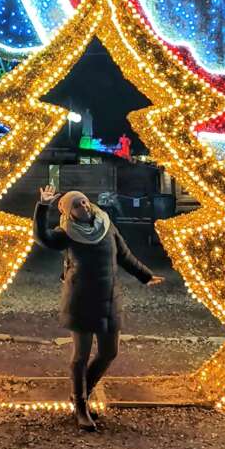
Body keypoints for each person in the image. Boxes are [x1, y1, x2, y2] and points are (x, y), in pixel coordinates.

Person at [33, 184, 164, 431]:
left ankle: (83, 391)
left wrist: (145, 275)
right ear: (68, 212)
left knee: (109, 352)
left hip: (109, 298)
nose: (83, 206)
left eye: (83, 201)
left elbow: (123, 254)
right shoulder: (67, 233)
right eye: (75, 205)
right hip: (80, 299)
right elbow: (44, 239)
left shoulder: (105, 224)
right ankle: (80, 405)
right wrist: (43, 207)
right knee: (80, 356)